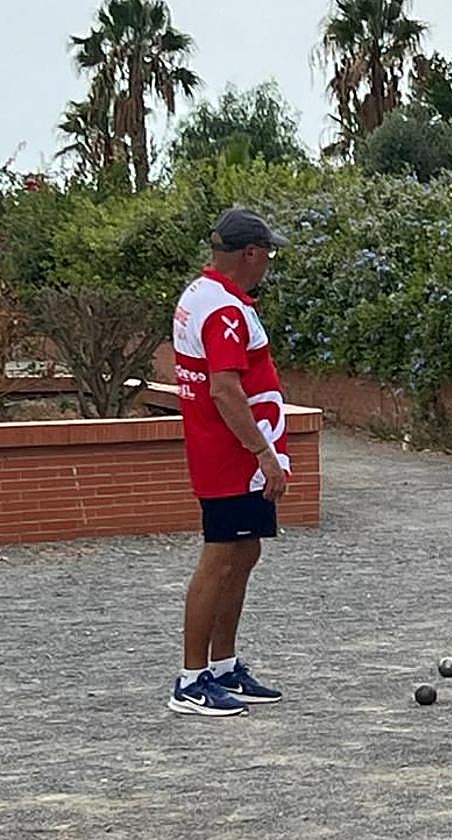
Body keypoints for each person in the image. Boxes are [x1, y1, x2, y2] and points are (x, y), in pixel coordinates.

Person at [167, 208, 291, 717]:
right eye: (268, 253)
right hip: (231, 455)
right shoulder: (223, 311)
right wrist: (263, 452)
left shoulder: (203, 294)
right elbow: (224, 389)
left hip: (229, 452)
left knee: (244, 552)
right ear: (250, 253)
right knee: (219, 559)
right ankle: (191, 680)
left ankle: (223, 666)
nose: (269, 263)